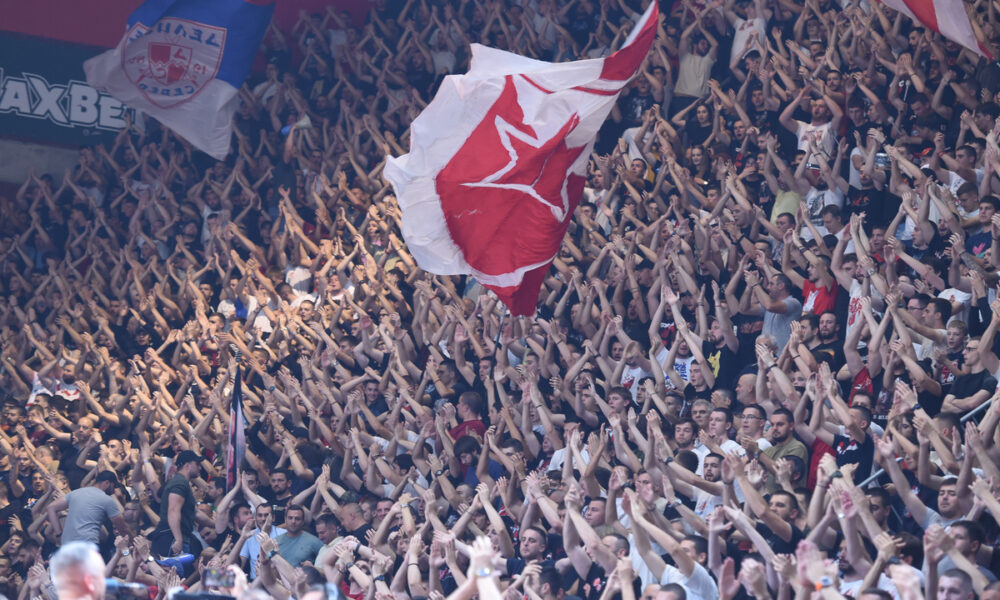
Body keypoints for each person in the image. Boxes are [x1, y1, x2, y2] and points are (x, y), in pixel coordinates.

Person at [46, 470, 129, 545]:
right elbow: (121, 526)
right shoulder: (107, 499)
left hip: (68, 544)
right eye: (113, 487)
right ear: (107, 483)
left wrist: (59, 534)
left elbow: (51, 508)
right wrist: (131, 542)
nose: (113, 491)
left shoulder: (76, 493)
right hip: (87, 544)